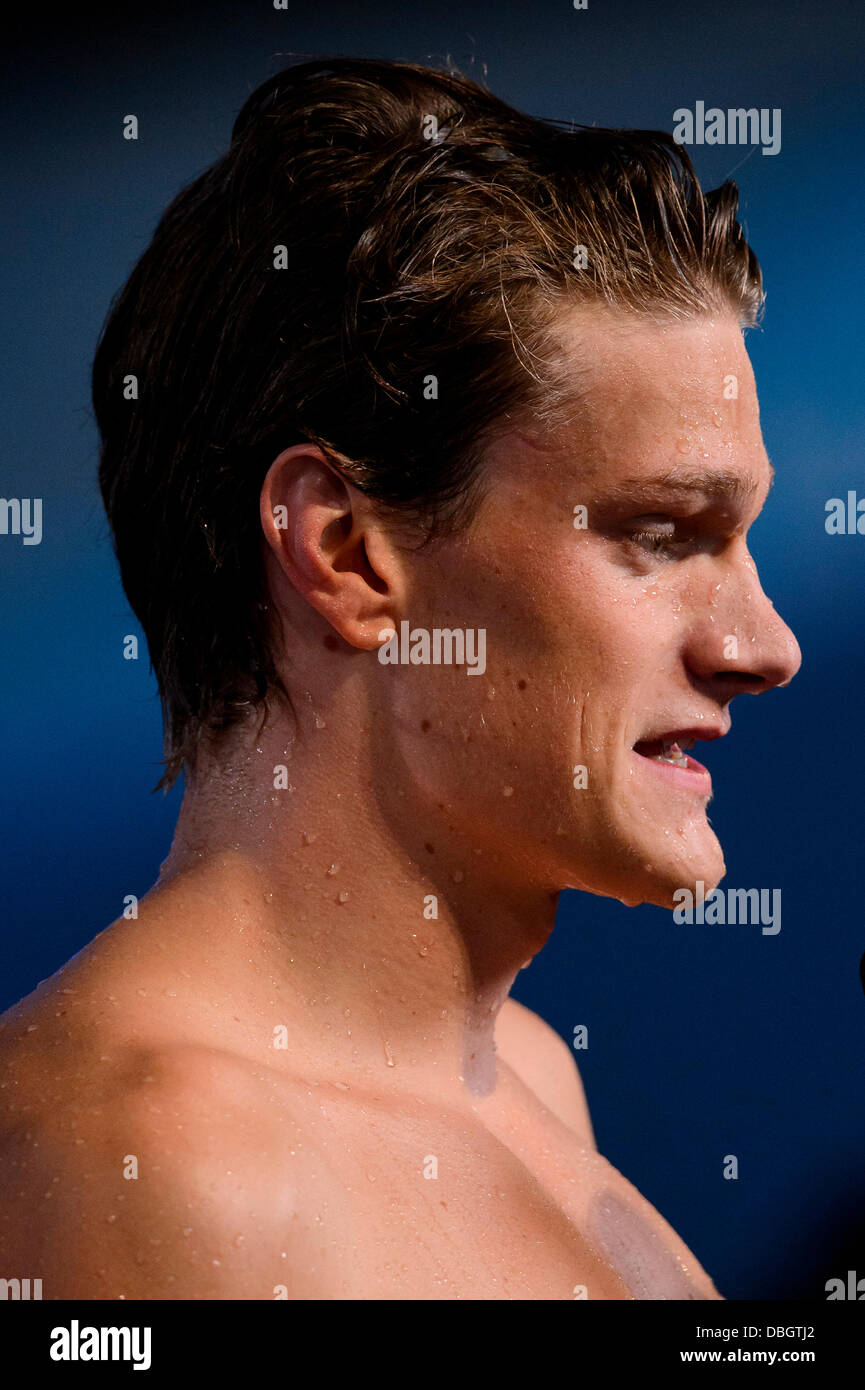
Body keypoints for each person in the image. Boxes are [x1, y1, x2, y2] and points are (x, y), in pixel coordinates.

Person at [0, 57, 800, 1299]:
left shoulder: (528, 1078)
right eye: (659, 535)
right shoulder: (157, 1160)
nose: (762, 645)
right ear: (343, 553)